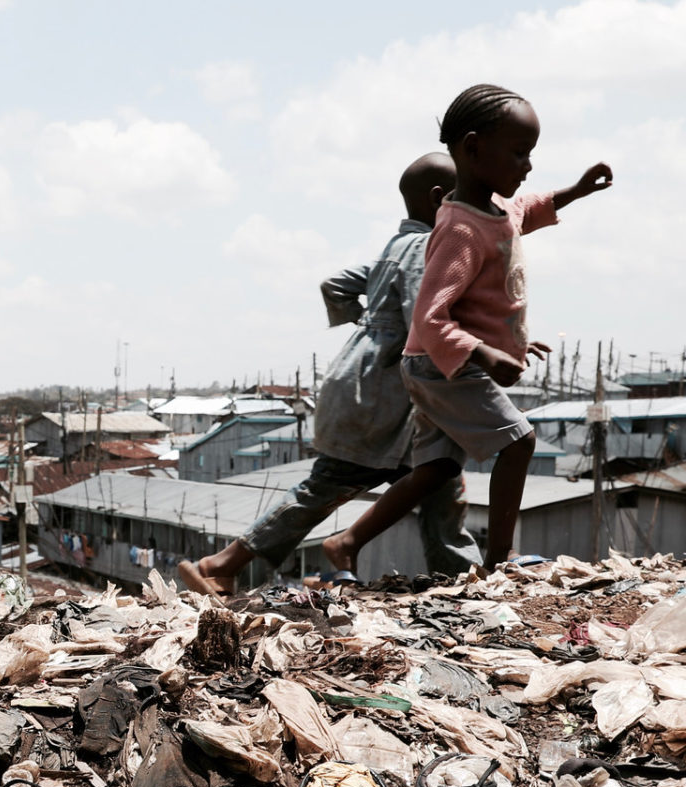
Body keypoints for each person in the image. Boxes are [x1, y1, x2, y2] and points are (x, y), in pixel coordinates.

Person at [320, 83, 613, 578]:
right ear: (474, 149)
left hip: (438, 365)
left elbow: (531, 207)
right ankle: (500, 561)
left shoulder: (496, 212)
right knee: (519, 442)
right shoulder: (457, 229)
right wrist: (486, 355)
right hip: (442, 366)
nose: (528, 165)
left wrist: (577, 191)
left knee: (436, 469)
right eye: (519, 153)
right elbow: (430, 319)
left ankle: (346, 542)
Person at [179, 152, 476, 596]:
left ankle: (456, 579)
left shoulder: (394, 248)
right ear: (441, 199)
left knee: (438, 479)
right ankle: (222, 564)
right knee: (341, 485)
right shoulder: (423, 248)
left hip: (361, 379)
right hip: (381, 392)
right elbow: (426, 316)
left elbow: (334, 285)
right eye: (465, 200)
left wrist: (370, 324)